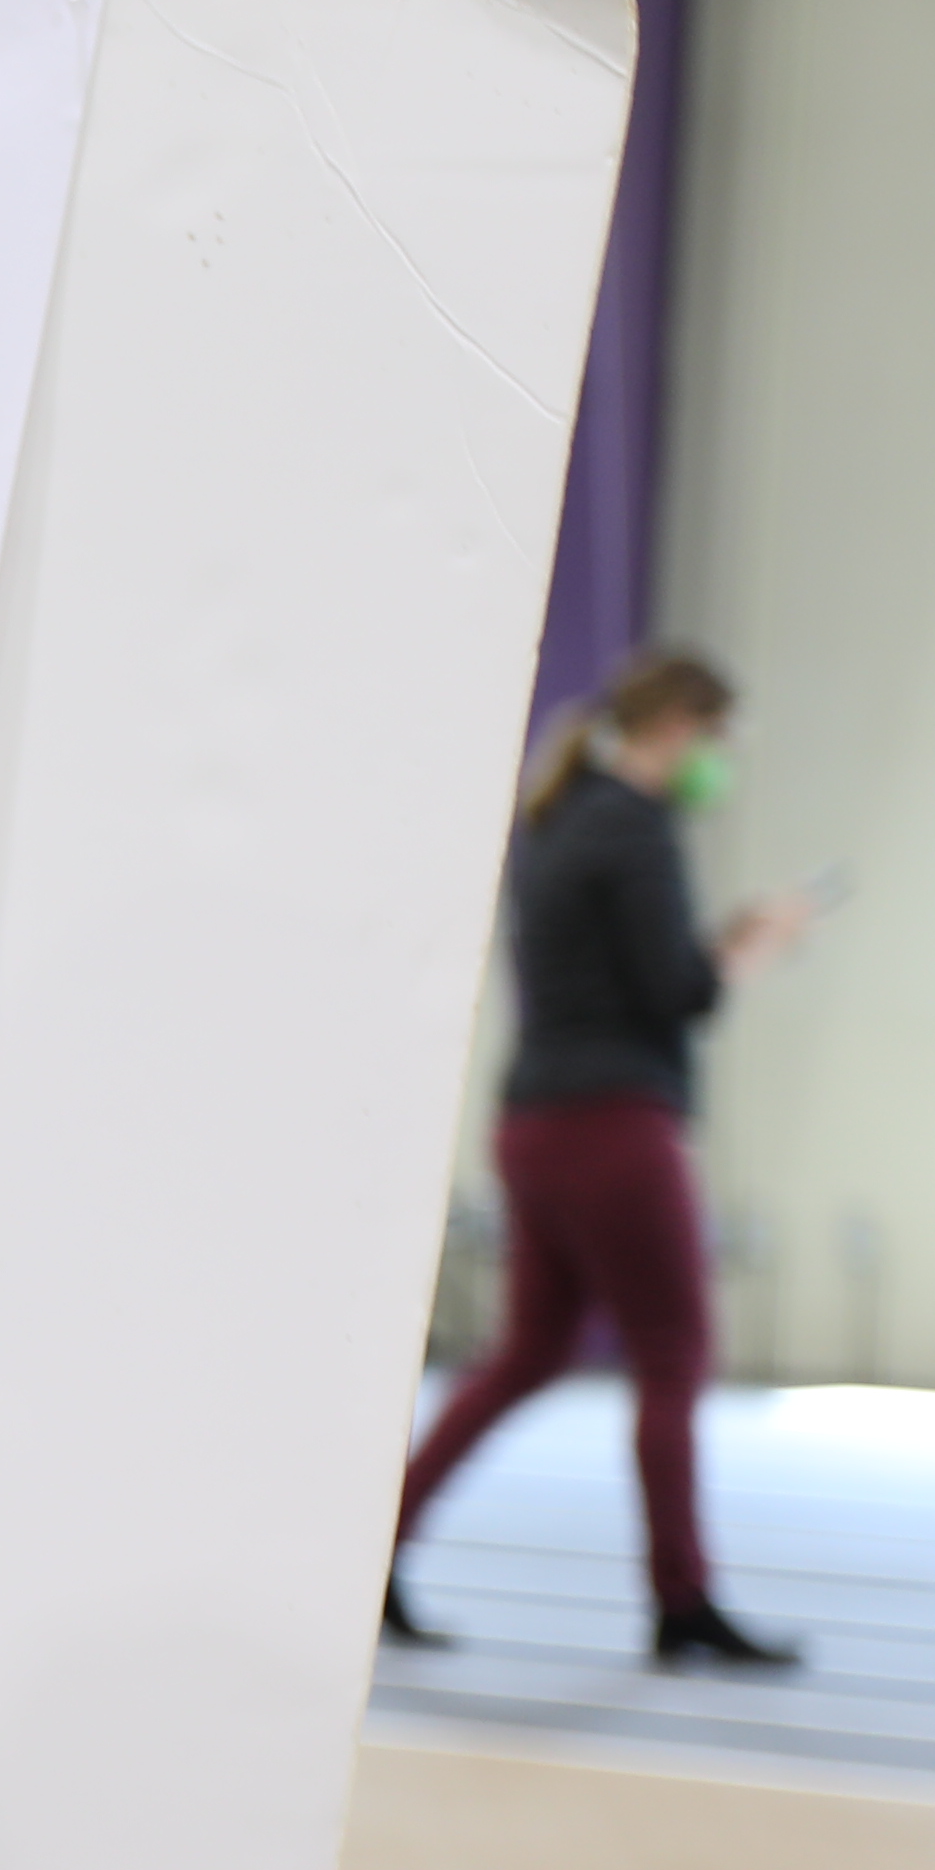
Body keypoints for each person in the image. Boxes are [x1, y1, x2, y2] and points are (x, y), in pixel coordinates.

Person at [382, 643, 813, 1665]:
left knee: (528, 1353)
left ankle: (375, 1547)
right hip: (614, 1126)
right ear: (678, 728)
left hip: (535, 1123)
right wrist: (756, 947)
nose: (720, 763)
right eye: (718, 741)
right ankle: (683, 1601)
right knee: (673, 1353)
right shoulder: (636, 827)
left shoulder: (564, 821)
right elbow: (681, 995)